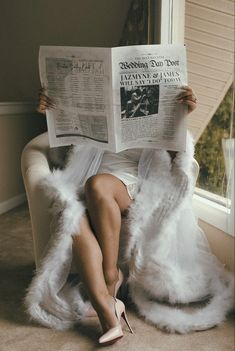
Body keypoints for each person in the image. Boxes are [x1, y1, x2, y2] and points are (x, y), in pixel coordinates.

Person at [37, 85, 197, 345]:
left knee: (97, 184)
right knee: (71, 215)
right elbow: (62, 156)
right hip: (89, 180)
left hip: (131, 184)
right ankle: (107, 311)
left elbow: (175, 166)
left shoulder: (156, 114)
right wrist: (52, 112)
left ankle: (111, 276)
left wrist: (180, 117)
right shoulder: (98, 109)